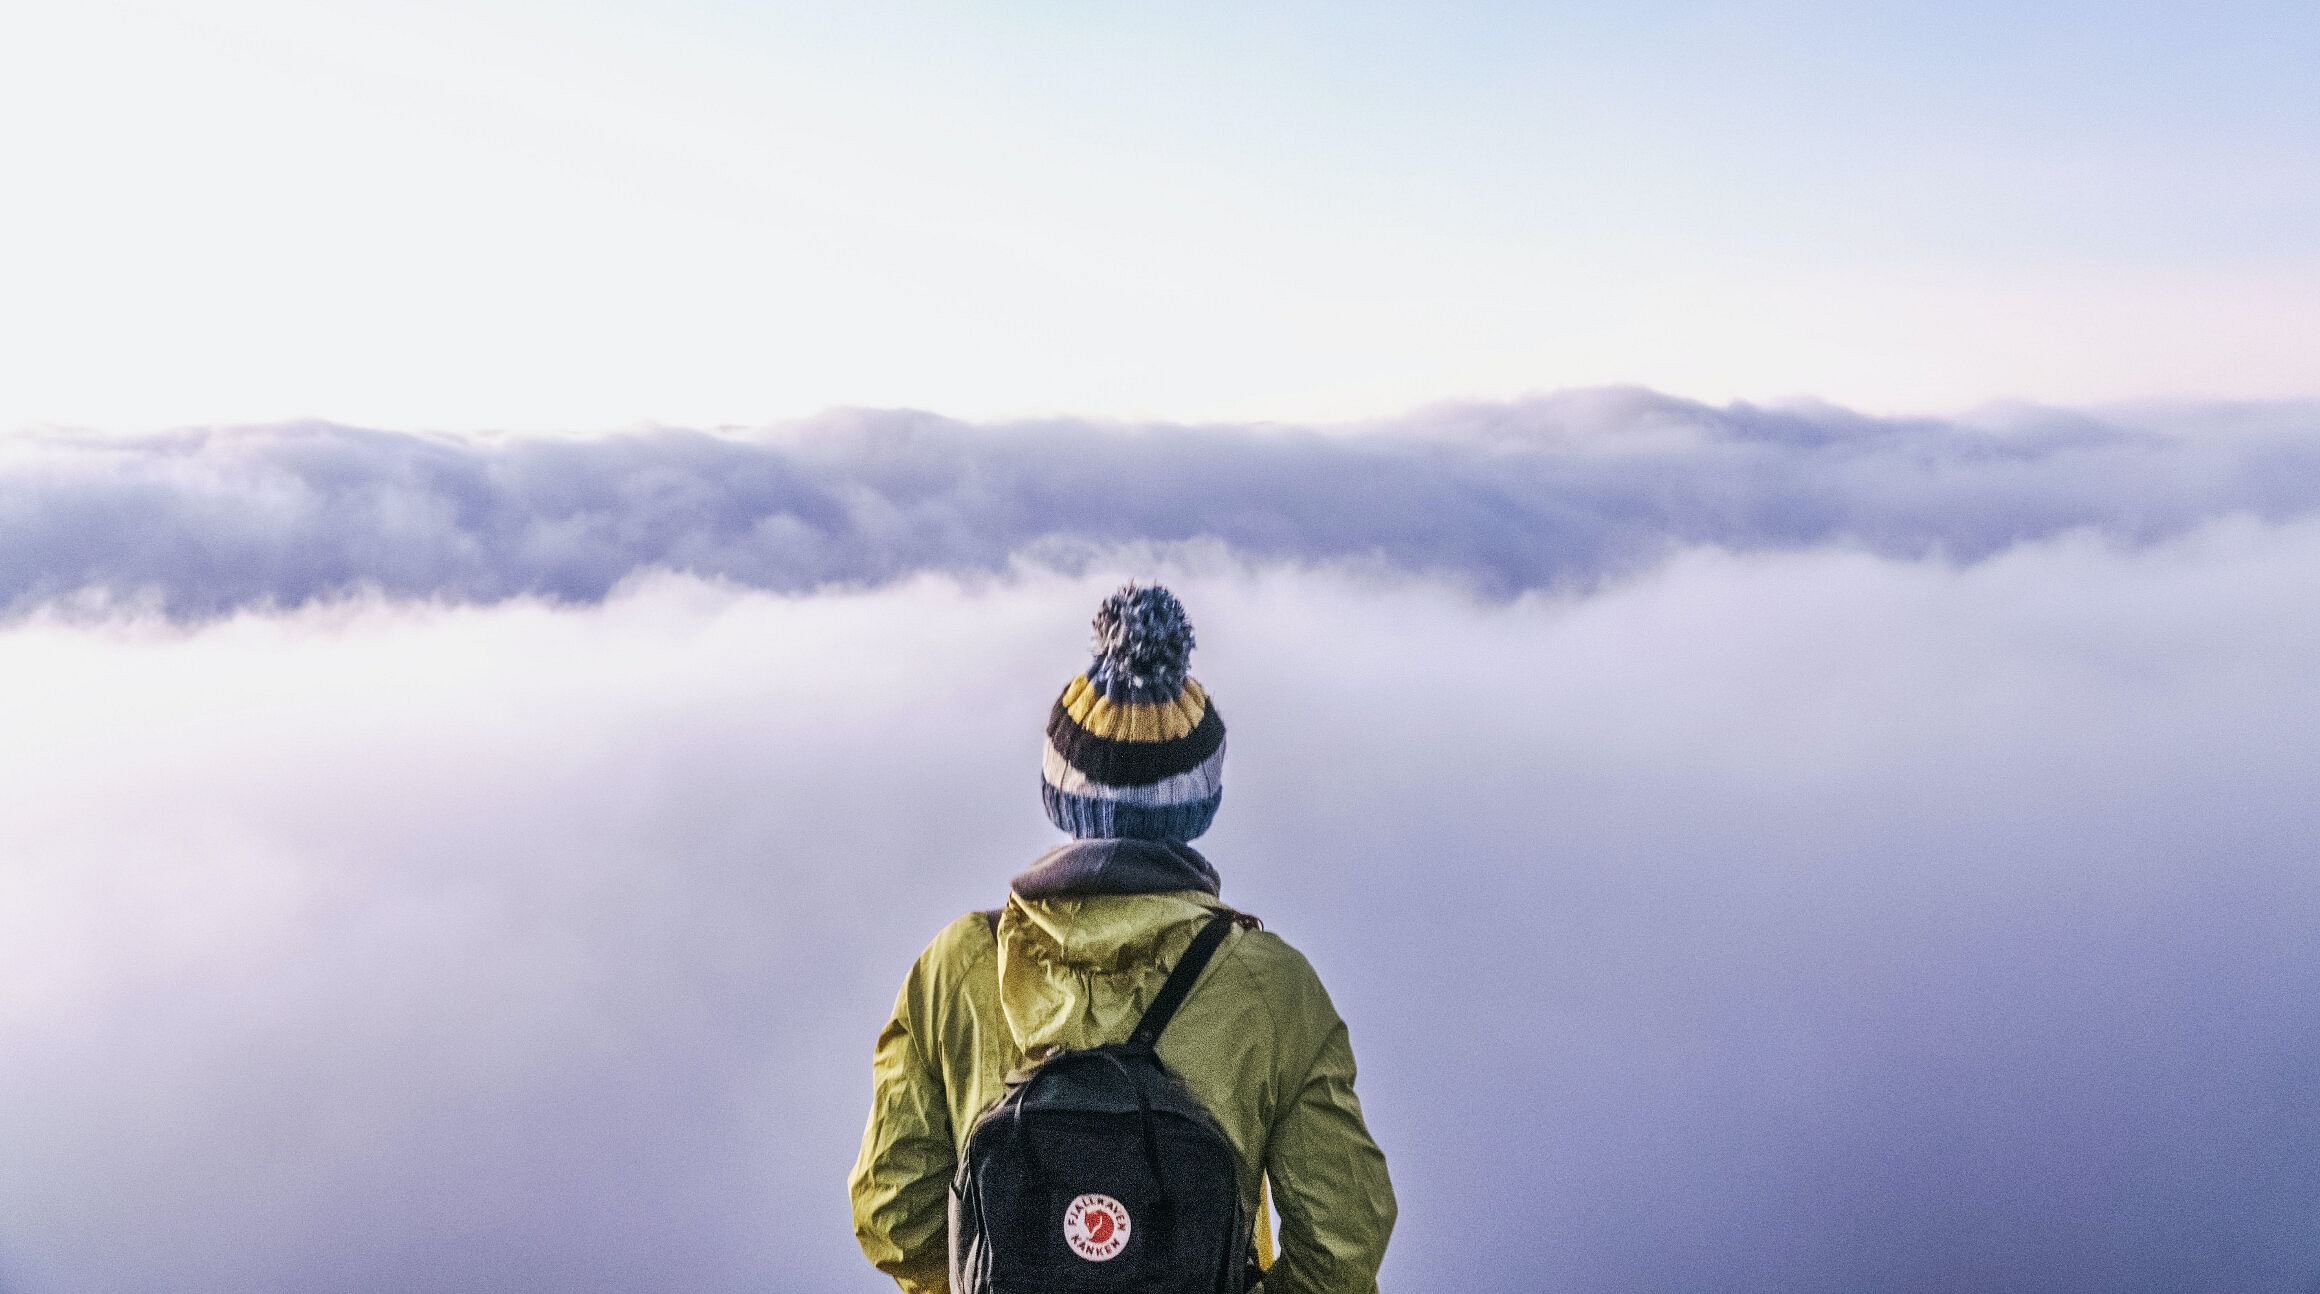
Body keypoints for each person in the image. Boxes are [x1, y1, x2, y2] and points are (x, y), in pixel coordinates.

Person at [848, 583, 1396, 1293]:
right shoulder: (1271, 987)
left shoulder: (956, 967)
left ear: (1059, 795)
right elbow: (1343, 1242)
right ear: (1199, 806)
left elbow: (890, 1212)